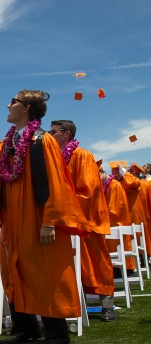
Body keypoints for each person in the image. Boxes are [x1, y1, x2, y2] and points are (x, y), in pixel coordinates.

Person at [0, 90, 88, 344]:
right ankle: (26, 328)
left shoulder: (43, 141)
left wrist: (50, 221)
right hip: (13, 219)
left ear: (27, 108)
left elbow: (56, 183)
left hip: (37, 217)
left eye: (14, 102)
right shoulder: (6, 144)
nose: (8, 105)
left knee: (43, 272)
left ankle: (57, 335)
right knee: (13, 270)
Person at [49, 120, 116, 322]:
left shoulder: (82, 156)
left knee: (98, 264)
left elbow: (87, 191)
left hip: (87, 220)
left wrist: (64, 208)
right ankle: (77, 304)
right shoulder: (55, 158)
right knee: (71, 266)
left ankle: (107, 306)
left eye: (53, 132)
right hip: (65, 222)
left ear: (67, 134)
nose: (50, 136)